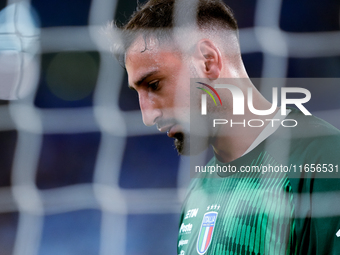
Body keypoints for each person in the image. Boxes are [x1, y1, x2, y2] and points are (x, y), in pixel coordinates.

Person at [110, 0, 340, 254]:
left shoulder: (324, 158)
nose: (147, 116)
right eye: (138, 92)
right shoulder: (198, 192)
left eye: (154, 84)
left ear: (208, 61)